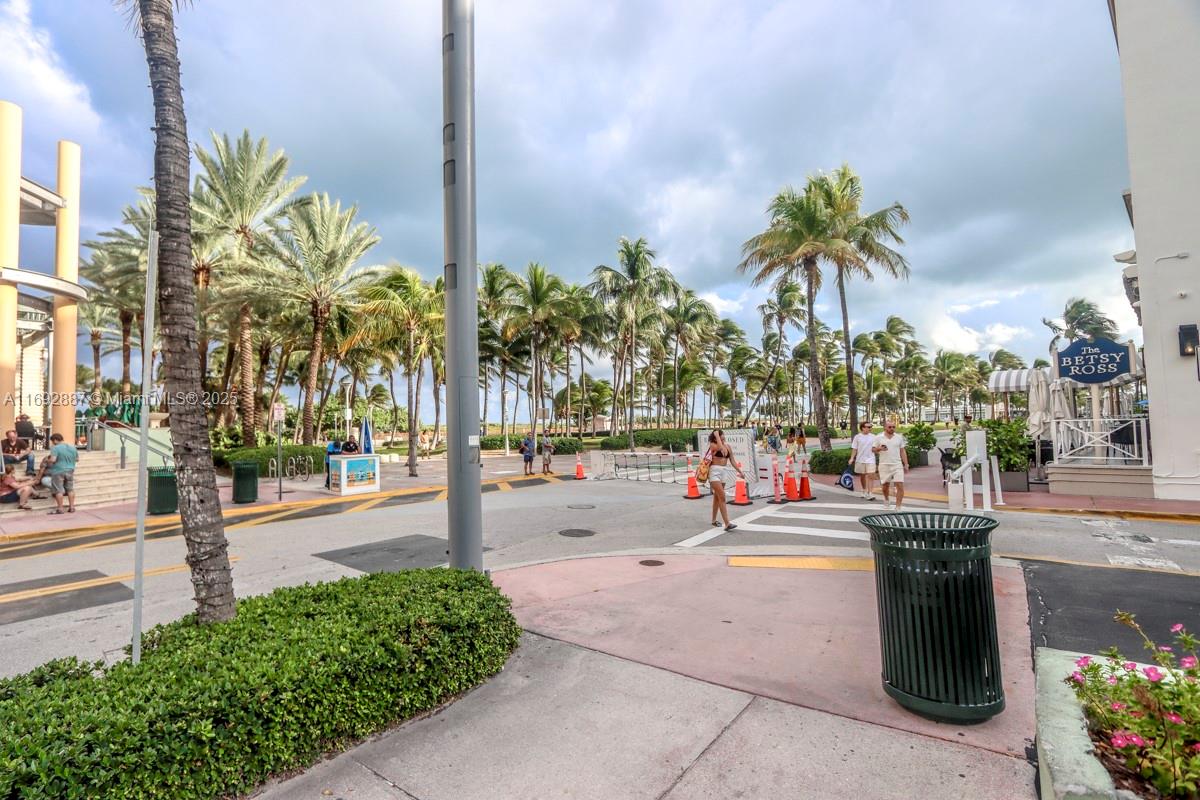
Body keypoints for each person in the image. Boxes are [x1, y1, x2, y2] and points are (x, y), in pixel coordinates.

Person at [704, 429, 744, 532]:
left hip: (724, 472)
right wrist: (717, 435)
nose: (723, 436)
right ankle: (727, 523)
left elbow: (732, 461)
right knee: (722, 496)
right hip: (714, 472)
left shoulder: (728, 446)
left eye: (722, 434)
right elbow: (720, 448)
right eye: (720, 435)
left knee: (717, 497)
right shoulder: (713, 445)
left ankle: (713, 520)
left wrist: (740, 471)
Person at [873, 419, 909, 510]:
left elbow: (902, 451)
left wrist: (906, 464)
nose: (892, 428)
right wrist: (879, 449)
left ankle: (898, 506)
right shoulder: (879, 437)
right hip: (884, 464)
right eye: (890, 427)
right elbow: (873, 449)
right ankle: (886, 499)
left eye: (893, 427)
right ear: (885, 427)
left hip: (897, 464)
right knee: (885, 486)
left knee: (899, 485)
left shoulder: (899, 437)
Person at [45, 432, 77, 514]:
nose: (53, 443)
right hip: (70, 470)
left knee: (58, 490)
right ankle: (72, 507)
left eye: (53, 441)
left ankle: (60, 509)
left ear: (55, 440)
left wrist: (47, 460)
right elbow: (77, 459)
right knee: (70, 489)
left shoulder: (55, 448)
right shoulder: (72, 447)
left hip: (58, 471)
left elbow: (53, 460)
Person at [849, 421, 878, 501]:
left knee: (871, 475)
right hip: (860, 459)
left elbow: (876, 448)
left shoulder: (874, 437)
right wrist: (852, 458)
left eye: (870, 427)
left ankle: (870, 493)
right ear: (862, 428)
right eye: (868, 427)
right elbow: (854, 448)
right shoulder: (857, 437)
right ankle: (864, 490)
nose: (870, 428)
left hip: (871, 459)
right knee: (862, 476)